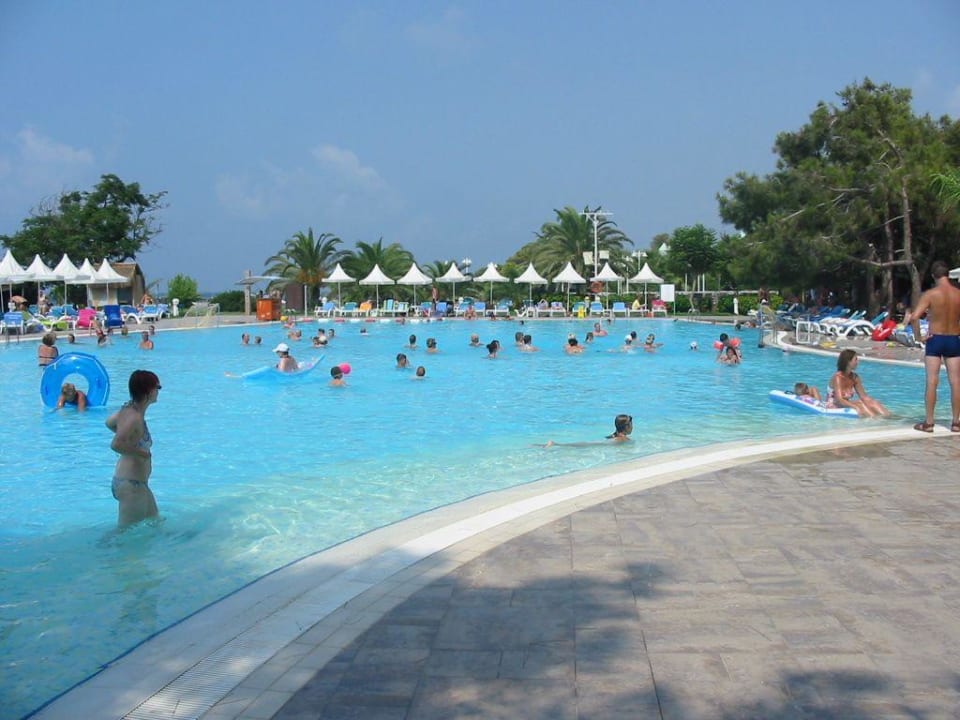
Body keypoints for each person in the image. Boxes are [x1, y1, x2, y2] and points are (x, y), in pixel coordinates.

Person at [904, 260, 960, 432]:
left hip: (935, 339)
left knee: (932, 381)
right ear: (948, 275)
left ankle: (929, 423)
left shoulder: (930, 294)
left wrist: (919, 337)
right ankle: (956, 423)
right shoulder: (958, 294)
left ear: (934, 276)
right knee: (956, 382)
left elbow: (914, 317)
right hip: (953, 339)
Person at [106, 370, 161, 527]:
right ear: (148, 391)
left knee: (156, 522)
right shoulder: (134, 417)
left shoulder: (129, 411)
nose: (158, 391)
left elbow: (109, 423)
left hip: (136, 484)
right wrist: (142, 453)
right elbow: (116, 444)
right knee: (124, 537)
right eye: (158, 387)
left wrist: (129, 439)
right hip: (131, 486)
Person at [827, 349, 890, 417]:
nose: (858, 362)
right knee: (860, 404)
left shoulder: (854, 377)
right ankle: (875, 420)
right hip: (834, 405)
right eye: (856, 359)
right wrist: (855, 407)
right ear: (848, 362)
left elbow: (864, 397)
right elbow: (839, 400)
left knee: (872, 402)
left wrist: (873, 402)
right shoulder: (838, 377)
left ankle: (889, 418)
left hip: (845, 404)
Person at [543, 414, 633, 447]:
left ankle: (556, 444)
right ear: (627, 426)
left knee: (579, 444)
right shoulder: (625, 440)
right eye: (631, 424)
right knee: (581, 445)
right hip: (600, 445)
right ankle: (556, 444)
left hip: (601, 443)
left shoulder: (613, 436)